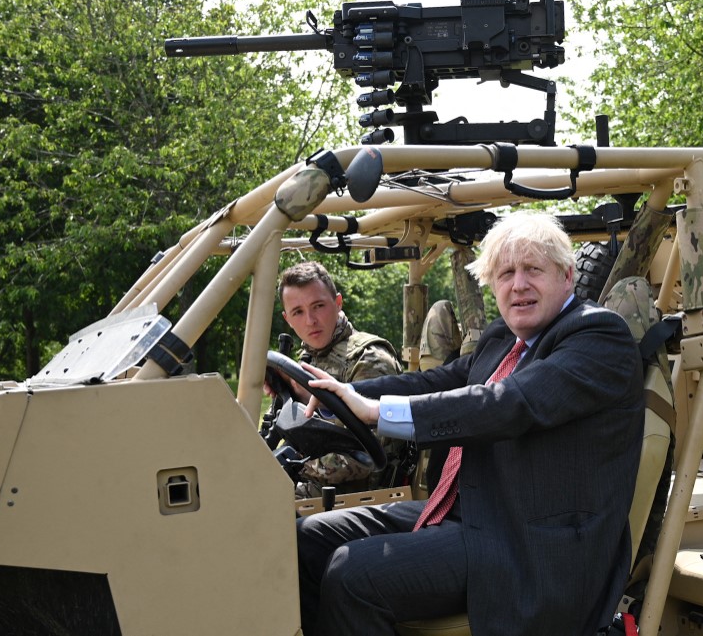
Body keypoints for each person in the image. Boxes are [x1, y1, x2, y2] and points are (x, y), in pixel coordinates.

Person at [297, 212, 645, 636]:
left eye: (534, 269)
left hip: (529, 541)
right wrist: (340, 392)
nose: (518, 285)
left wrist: (378, 414)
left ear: (567, 276)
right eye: (505, 273)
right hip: (476, 509)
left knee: (353, 576)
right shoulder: (504, 339)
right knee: (308, 537)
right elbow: (438, 381)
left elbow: (509, 403)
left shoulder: (597, 336)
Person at [275, 261, 403, 497]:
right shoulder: (308, 360)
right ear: (288, 319)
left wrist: (295, 466)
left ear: (338, 303)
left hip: (360, 498)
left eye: (319, 306)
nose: (310, 320)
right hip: (317, 487)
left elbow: (370, 457)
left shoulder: (369, 359)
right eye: (298, 312)